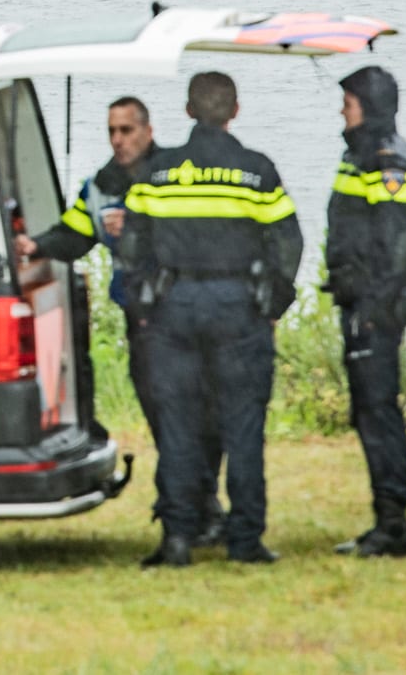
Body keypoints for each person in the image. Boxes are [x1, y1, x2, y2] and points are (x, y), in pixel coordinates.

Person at [12, 97, 226, 546]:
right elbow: (73, 233)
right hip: (142, 320)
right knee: (163, 418)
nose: (118, 140)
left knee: (203, 418)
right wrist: (35, 246)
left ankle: (201, 505)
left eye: (127, 130)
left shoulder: (174, 173)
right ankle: (195, 508)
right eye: (112, 131)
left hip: (187, 313)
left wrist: (134, 231)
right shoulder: (102, 185)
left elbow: (200, 237)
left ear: (148, 131)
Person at [122, 72, 303, 568]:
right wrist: (272, 307)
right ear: (235, 111)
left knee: (178, 426)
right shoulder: (257, 171)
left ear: (187, 111)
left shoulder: (158, 172)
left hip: (174, 306)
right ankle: (244, 540)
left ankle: (178, 538)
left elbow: (133, 246)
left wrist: (144, 306)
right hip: (237, 305)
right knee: (243, 424)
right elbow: (288, 244)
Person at [324, 66, 406, 558]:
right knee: (368, 413)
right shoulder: (361, 156)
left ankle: (393, 524)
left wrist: (370, 309)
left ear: (367, 106)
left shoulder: (390, 165)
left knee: (379, 413)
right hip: (360, 306)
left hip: (375, 311)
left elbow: (393, 252)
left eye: (347, 103)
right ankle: (385, 520)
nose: (341, 112)